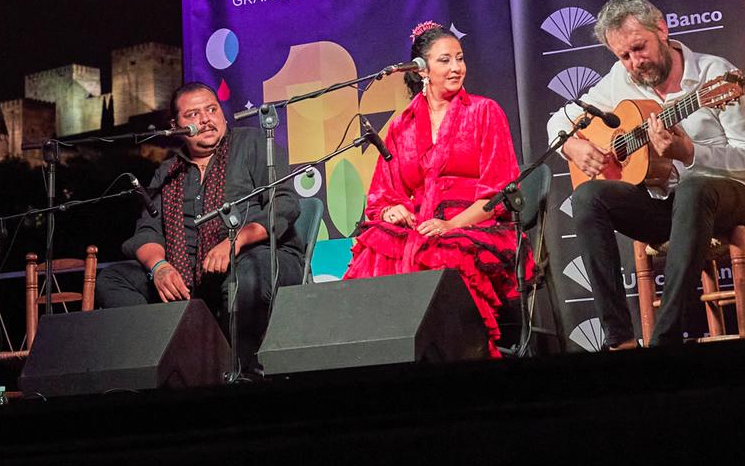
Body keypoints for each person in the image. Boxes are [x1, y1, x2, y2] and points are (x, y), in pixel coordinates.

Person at [547, 0, 745, 349]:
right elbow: (559, 119)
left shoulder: (714, 75)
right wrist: (571, 144)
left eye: (640, 48)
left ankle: (663, 342)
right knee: (588, 196)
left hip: (735, 197)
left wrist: (690, 152)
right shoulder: (619, 79)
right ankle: (620, 340)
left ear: (662, 29)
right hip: (670, 207)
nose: (634, 62)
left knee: (694, 187)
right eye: (623, 55)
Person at [344, 22, 530, 357]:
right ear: (422, 70)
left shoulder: (484, 112)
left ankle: (457, 354)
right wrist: (392, 210)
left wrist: (451, 225)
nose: (457, 67)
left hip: (477, 225)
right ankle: (387, 359)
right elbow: (383, 194)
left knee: (443, 253)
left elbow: (498, 196)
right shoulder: (403, 124)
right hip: (424, 225)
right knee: (375, 250)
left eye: (459, 58)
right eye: (445, 60)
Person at [96, 81, 306, 369]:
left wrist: (235, 241)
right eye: (193, 114)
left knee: (245, 274)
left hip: (257, 257)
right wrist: (160, 267)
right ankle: (172, 361)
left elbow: (283, 204)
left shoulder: (253, 144)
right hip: (189, 271)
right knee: (113, 278)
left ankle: (241, 373)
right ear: (176, 125)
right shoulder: (167, 172)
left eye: (211, 109)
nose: (206, 119)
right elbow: (147, 230)